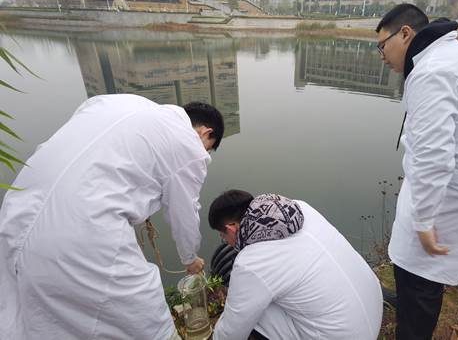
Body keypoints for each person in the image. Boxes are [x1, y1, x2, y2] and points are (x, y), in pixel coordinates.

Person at [0, 94, 224, 340]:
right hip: (84, 233)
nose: (204, 155)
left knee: (36, 320)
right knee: (148, 323)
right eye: (208, 149)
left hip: (17, 216)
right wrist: (190, 258)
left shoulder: (116, 102)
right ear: (206, 132)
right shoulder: (188, 144)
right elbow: (185, 213)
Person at [376, 4, 458, 339]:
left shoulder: (433, 71)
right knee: (420, 276)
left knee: (420, 276)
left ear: (405, 33)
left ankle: (412, 328)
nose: (382, 55)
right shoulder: (457, 57)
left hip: (450, 198)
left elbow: (432, 155)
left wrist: (423, 220)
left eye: (382, 45)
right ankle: (407, 306)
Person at [208, 190, 383, 340]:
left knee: (253, 312)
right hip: (374, 308)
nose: (226, 242)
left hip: (345, 335)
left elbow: (231, 333)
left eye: (223, 236)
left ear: (231, 228)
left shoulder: (250, 262)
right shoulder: (300, 207)